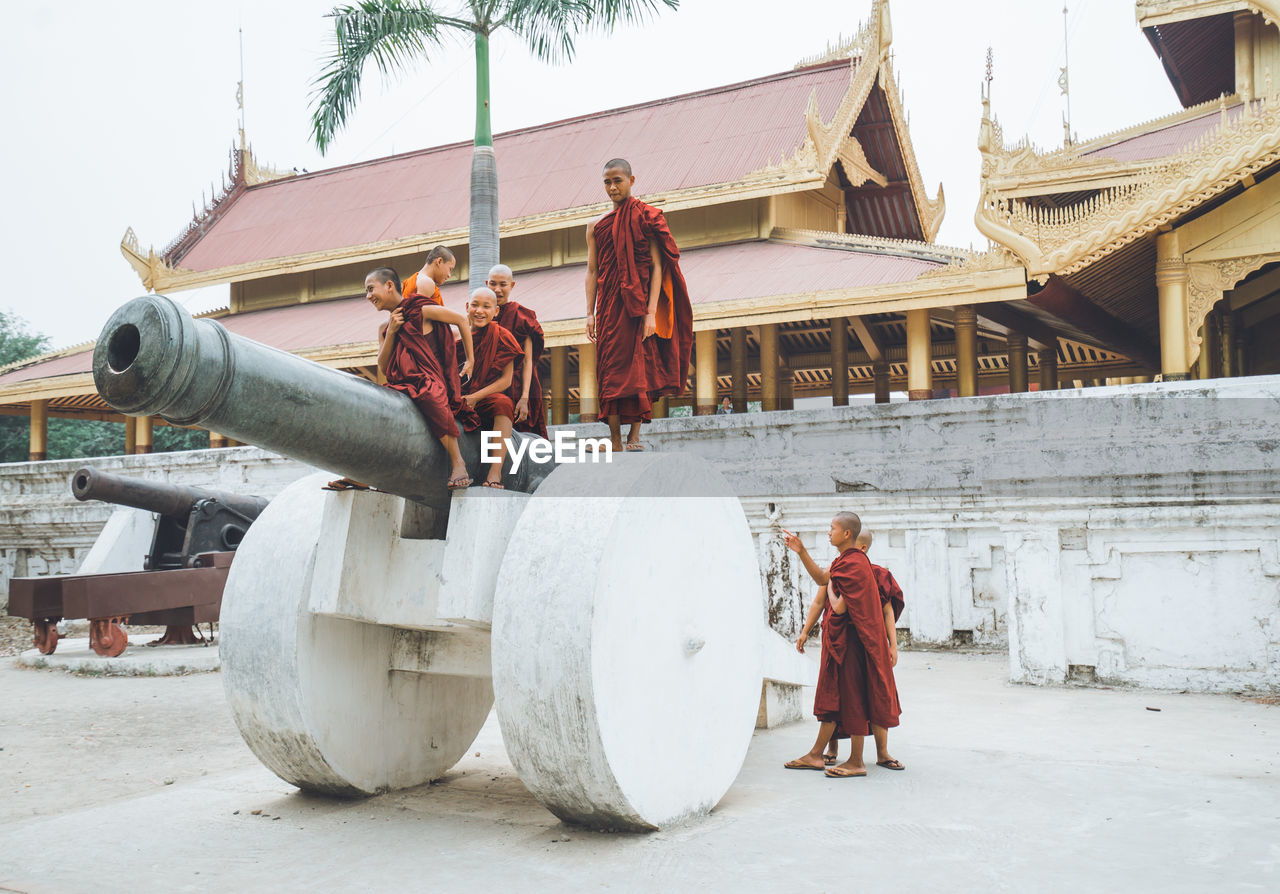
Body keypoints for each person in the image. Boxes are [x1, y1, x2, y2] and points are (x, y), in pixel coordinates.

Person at [326, 266, 475, 491]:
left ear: (388, 285)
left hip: (426, 380)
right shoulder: (385, 329)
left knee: (430, 395)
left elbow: (461, 321)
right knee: (377, 407)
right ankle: (363, 473)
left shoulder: (419, 309)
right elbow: (384, 366)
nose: (368, 296)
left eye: (370, 289)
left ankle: (458, 463)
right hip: (399, 383)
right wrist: (393, 331)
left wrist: (470, 360)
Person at [781, 513, 903, 778]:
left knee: (855, 698)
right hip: (844, 642)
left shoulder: (855, 565)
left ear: (847, 534)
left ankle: (857, 761)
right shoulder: (844, 562)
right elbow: (822, 581)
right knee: (838, 698)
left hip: (854, 644)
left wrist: (831, 583)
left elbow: (837, 604)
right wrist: (802, 553)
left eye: (832, 528)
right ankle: (816, 754)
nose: (829, 532)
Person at [585, 157, 693, 452]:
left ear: (632, 181)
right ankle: (615, 440)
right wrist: (589, 313)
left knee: (639, 370)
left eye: (617, 180)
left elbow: (658, 267)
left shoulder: (646, 217)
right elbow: (593, 271)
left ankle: (634, 437)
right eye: (607, 182)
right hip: (608, 308)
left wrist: (650, 314)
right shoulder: (596, 226)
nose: (612, 187)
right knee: (609, 372)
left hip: (638, 308)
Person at [821, 529, 904, 767]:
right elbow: (822, 603)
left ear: (862, 548)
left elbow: (887, 611)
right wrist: (806, 632)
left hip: (872, 642)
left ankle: (883, 753)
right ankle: (832, 748)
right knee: (840, 695)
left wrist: (893, 646)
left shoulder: (877, 574)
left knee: (878, 695)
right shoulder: (837, 571)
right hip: (844, 642)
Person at [461, 287, 524, 489]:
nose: (480, 311)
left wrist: (475, 397)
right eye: (475, 305)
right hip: (458, 398)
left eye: (486, 307)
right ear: (467, 307)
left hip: (485, 398)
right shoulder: (455, 335)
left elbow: (505, 381)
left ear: (496, 312)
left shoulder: (502, 336)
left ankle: (494, 472)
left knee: (504, 403)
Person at [486, 264, 548, 439]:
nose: (497, 289)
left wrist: (525, 398)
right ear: (487, 284)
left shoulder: (521, 316)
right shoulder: (483, 313)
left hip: (520, 384)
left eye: (503, 284)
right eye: (493, 284)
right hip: (493, 385)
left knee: (523, 440)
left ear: (512, 285)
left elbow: (528, 361)